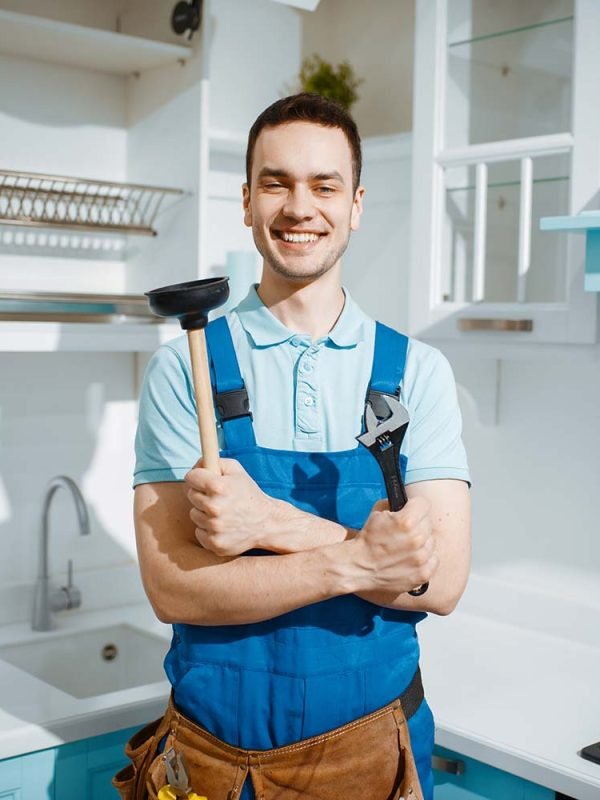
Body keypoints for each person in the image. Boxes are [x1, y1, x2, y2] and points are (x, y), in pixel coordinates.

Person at [126, 93, 471, 800]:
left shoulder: (414, 373)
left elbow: (439, 585)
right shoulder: (185, 365)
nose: (299, 207)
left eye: (325, 185)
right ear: (248, 200)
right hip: (213, 761)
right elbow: (173, 589)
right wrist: (357, 562)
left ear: (356, 203)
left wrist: (272, 525)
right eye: (277, 183)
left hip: (378, 757)